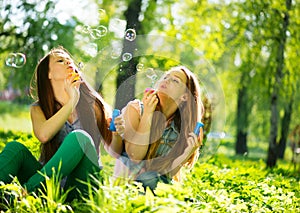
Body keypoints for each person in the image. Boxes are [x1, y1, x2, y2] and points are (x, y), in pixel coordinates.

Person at [0, 46, 124, 201]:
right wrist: (72, 101)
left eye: (69, 60)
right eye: (60, 60)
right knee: (15, 148)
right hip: (48, 186)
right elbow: (44, 135)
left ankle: (22, 195)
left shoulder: (93, 105)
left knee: (80, 137)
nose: (68, 62)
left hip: (82, 186)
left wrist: (118, 133)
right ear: (49, 74)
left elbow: (116, 150)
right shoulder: (39, 109)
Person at [114, 66, 204, 191]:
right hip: (127, 186)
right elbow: (135, 155)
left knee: (152, 178)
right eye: (166, 76)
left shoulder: (181, 129)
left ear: (185, 96)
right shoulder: (136, 109)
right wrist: (148, 114)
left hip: (155, 185)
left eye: (175, 80)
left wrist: (186, 153)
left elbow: (166, 175)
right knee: (150, 178)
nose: (166, 80)